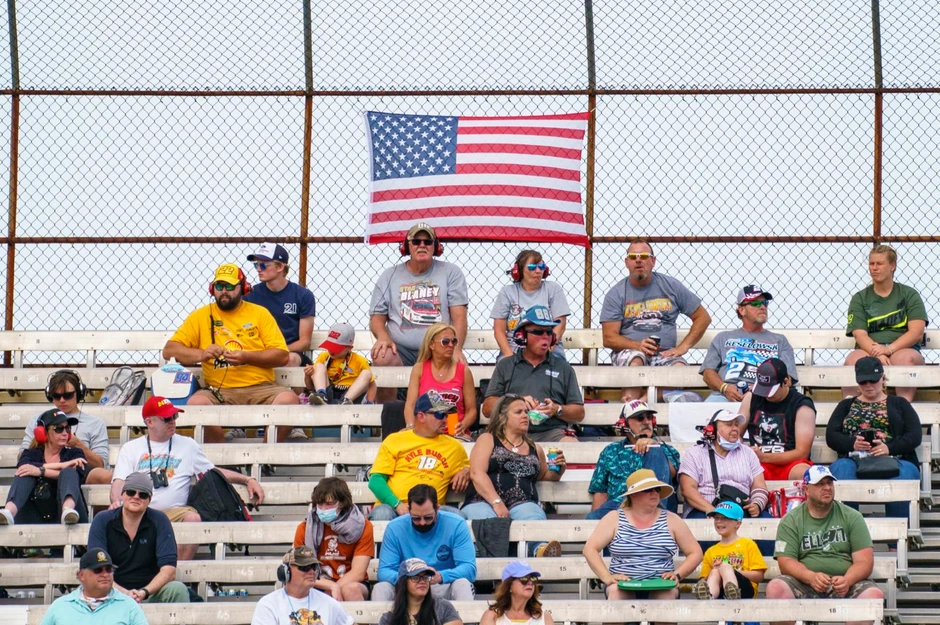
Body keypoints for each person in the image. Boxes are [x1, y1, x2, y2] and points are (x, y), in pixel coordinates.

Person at [110, 396, 265, 559]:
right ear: (150, 422)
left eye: (174, 416)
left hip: (176, 512)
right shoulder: (131, 448)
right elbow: (119, 481)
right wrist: (116, 501)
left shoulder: (188, 445)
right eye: (166, 418)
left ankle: (177, 570)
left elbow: (212, 472)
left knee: (193, 518)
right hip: (142, 510)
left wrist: (247, 479)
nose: (172, 421)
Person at [162, 263, 299, 443]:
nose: (224, 291)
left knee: (289, 400)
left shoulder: (260, 313)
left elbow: (281, 355)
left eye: (230, 286)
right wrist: (202, 354)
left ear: (243, 287)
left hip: (262, 387)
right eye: (219, 286)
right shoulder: (200, 316)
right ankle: (221, 458)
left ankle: (265, 454)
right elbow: (169, 350)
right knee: (197, 404)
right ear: (212, 289)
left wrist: (246, 357)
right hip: (219, 390)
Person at [767, 466, 884, 625]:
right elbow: (785, 561)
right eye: (820, 484)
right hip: (804, 583)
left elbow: (864, 561)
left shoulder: (852, 517)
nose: (827, 487)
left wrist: (847, 580)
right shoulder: (791, 520)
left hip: (846, 583)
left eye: (830, 483)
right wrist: (810, 577)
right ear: (806, 489)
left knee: (873, 595)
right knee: (776, 588)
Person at [600, 239, 711, 401]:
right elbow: (609, 338)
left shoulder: (671, 286)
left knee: (679, 369)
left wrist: (683, 347)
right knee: (636, 361)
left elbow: (703, 317)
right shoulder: (616, 293)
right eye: (633, 257)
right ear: (626, 263)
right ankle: (630, 409)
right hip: (630, 351)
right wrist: (638, 345)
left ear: (653, 261)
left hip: (665, 353)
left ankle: (640, 402)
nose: (638, 260)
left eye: (644, 256)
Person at [370, 223, 469, 402]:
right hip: (401, 350)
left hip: (438, 347)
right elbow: (376, 318)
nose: (422, 245)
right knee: (382, 356)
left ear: (436, 247)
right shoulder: (389, 275)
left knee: (457, 364)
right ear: (406, 246)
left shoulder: (451, 273)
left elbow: (459, 317)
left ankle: (442, 413)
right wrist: (383, 337)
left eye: (427, 242)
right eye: (416, 241)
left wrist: (456, 348)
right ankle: (389, 413)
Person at [461, 394, 566, 557]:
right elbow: (476, 472)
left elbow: (544, 475)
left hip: (521, 502)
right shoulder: (488, 439)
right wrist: (496, 502)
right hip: (483, 500)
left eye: (526, 412)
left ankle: (540, 550)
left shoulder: (535, 448)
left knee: (533, 513)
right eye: (518, 412)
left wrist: (559, 469)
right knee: (487, 519)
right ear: (502, 417)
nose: (525, 416)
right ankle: (489, 562)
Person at [582, 469, 702, 602]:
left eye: (657, 489)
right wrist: (607, 577)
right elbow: (589, 549)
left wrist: (677, 575)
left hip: (662, 584)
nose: (654, 493)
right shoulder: (614, 518)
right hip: (623, 584)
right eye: (648, 489)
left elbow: (695, 552)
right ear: (633, 495)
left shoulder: (672, 519)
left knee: (666, 596)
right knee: (616, 593)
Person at [825, 356, 922, 520]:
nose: (868, 385)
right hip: (854, 459)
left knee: (905, 474)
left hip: (894, 458)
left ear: (883, 378)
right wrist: (853, 444)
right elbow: (831, 435)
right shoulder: (846, 405)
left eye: (873, 380)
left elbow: (914, 435)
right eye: (863, 381)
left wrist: (889, 448)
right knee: (841, 469)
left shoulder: (899, 403)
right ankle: (847, 527)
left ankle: (897, 532)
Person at [482, 305, 584, 443]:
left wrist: (557, 409)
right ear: (522, 336)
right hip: (510, 432)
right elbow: (487, 408)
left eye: (549, 332)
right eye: (538, 332)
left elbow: (579, 413)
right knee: (485, 442)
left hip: (551, 433)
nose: (545, 337)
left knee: (571, 444)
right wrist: (515, 402)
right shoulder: (505, 365)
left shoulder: (564, 368)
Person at [88, 472, 190, 603]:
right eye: (131, 492)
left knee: (177, 589)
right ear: (122, 494)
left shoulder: (160, 520)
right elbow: (96, 566)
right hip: (111, 593)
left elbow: (169, 570)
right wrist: (125, 594)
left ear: (149, 499)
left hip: (150, 593)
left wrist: (144, 592)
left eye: (143, 494)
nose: (136, 497)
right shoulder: (103, 520)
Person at [368, 391, 470, 521]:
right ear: (421, 416)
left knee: (459, 518)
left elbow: (475, 469)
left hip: (433, 510)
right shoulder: (395, 440)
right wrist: (397, 504)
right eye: (439, 414)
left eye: (446, 415)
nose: (445, 420)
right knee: (382, 513)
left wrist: (467, 471)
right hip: (395, 507)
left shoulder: (454, 447)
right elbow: (375, 481)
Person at [843, 244, 927, 403]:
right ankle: (851, 408)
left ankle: (902, 407)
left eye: (880, 264)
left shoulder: (909, 295)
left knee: (907, 359)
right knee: (852, 361)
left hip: (902, 349)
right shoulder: (860, 298)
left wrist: (889, 349)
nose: (874, 268)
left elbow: (916, 332)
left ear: (892, 266)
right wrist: (878, 354)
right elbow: (860, 335)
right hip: (870, 349)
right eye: (871, 263)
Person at [372, 484, 476, 603]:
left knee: (462, 584)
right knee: (381, 588)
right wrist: (410, 578)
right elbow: (384, 571)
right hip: (406, 587)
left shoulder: (456, 524)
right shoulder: (395, 528)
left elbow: (469, 569)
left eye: (428, 517)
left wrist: (441, 576)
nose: (422, 523)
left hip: (441, 584)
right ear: (409, 510)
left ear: (437, 508)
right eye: (416, 518)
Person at [700, 285, 797, 402]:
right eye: (755, 303)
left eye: (765, 303)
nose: (762, 307)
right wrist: (725, 388)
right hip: (725, 395)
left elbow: (787, 379)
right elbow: (708, 373)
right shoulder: (723, 338)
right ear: (741, 310)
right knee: (707, 408)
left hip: (766, 397)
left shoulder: (780, 341)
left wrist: (762, 388)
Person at [588, 400, 680, 518]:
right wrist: (595, 521)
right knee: (593, 518)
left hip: (655, 505)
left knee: (656, 451)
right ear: (624, 424)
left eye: (649, 417)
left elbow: (672, 473)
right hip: (620, 506)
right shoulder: (610, 451)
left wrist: (653, 445)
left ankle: (652, 518)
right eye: (640, 418)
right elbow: (601, 492)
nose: (646, 422)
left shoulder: (665, 449)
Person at [20, 370, 110, 485]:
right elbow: (22, 457)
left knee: (105, 476)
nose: (62, 400)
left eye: (68, 395)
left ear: (79, 394)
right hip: (41, 472)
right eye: (56, 396)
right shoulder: (39, 420)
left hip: (78, 474)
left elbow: (100, 464)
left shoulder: (95, 423)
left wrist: (79, 445)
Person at [678, 410, 770, 521]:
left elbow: (759, 486)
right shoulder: (694, 453)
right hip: (704, 510)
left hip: (740, 510)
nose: (735, 428)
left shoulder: (748, 453)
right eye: (729, 424)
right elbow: (687, 489)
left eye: (736, 425)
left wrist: (757, 504)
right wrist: (711, 510)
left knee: (770, 523)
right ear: (713, 429)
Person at [292, 477, 374, 601]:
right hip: (317, 583)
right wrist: (330, 586)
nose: (323, 509)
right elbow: (300, 572)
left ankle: (357, 615)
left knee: (350, 590)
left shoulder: (363, 526)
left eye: (329, 504)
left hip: (351, 582)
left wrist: (335, 588)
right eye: (320, 504)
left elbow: (358, 573)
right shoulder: (304, 528)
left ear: (342, 503)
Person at [0, 409, 87, 525]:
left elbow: (79, 474)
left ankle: (68, 511)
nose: (65, 433)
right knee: (25, 472)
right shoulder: (30, 454)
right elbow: (23, 467)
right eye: (59, 428)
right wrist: (62, 465)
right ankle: (9, 512)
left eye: (67, 428)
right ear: (44, 432)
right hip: (34, 514)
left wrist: (41, 471)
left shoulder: (75, 453)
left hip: (64, 512)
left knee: (69, 472)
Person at [739, 358, 816, 481]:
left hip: (790, 464)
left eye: (771, 390)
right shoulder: (751, 398)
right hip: (757, 464)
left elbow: (802, 453)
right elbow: (736, 432)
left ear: (786, 381)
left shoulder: (802, 405)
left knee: (806, 474)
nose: (766, 395)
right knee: (737, 471)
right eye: (763, 388)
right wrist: (741, 448)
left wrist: (764, 457)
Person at [245, 242, 316, 367]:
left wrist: (276, 353)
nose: (258, 269)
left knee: (290, 359)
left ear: (280, 267)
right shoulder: (250, 294)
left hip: (288, 351)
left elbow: (304, 342)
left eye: (263, 265)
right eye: (256, 264)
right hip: (257, 350)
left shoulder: (302, 295)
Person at [491, 249, 570, 359]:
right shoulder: (507, 292)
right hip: (514, 350)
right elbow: (499, 330)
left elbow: (560, 326)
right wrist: (510, 359)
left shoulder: (553, 289)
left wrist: (544, 353)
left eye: (541, 267)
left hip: (549, 350)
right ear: (519, 270)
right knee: (504, 366)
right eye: (532, 267)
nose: (538, 271)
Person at [38, 548, 147, 625]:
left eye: (108, 569)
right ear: (81, 575)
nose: (105, 574)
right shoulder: (60, 606)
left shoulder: (129, 606)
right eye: (98, 570)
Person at [404, 322, 477, 434]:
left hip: (454, 433)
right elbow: (410, 405)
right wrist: (411, 427)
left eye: (454, 341)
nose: (451, 345)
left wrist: (463, 425)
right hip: (427, 433)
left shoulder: (463, 371)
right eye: (445, 341)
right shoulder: (419, 369)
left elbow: (471, 410)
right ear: (432, 345)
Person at [251, 546, 353, 625]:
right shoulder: (269, 605)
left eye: (314, 567)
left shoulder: (329, 603)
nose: (311, 571)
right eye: (305, 567)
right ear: (286, 571)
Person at [694, 501, 766, 601]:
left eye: (724, 518)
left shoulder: (748, 544)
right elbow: (703, 580)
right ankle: (709, 597)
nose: (719, 521)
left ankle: (733, 593)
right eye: (716, 518)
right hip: (719, 592)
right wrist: (717, 570)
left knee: (725, 567)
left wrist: (730, 570)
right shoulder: (711, 551)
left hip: (744, 590)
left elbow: (759, 576)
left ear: (738, 523)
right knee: (715, 571)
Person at [305, 322, 377, 406]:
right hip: (328, 394)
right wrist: (307, 376)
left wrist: (369, 403)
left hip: (350, 396)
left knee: (367, 373)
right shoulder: (324, 357)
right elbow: (309, 386)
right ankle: (321, 395)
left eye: (336, 348)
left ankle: (344, 401)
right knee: (319, 366)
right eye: (329, 346)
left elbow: (372, 385)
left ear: (348, 348)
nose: (331, 350)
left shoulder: (359, 361)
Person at [377, 558, 463, 625]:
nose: (422, 581)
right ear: (404, 582)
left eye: (426, 577)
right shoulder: (388, 618)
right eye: (415, 577)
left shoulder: (443, 607)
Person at [480, 560, 554, 625]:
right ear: (509, 586)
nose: (530, 582)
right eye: (524, 578)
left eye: (533, 578)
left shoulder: (544, 618)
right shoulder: (492, 616)